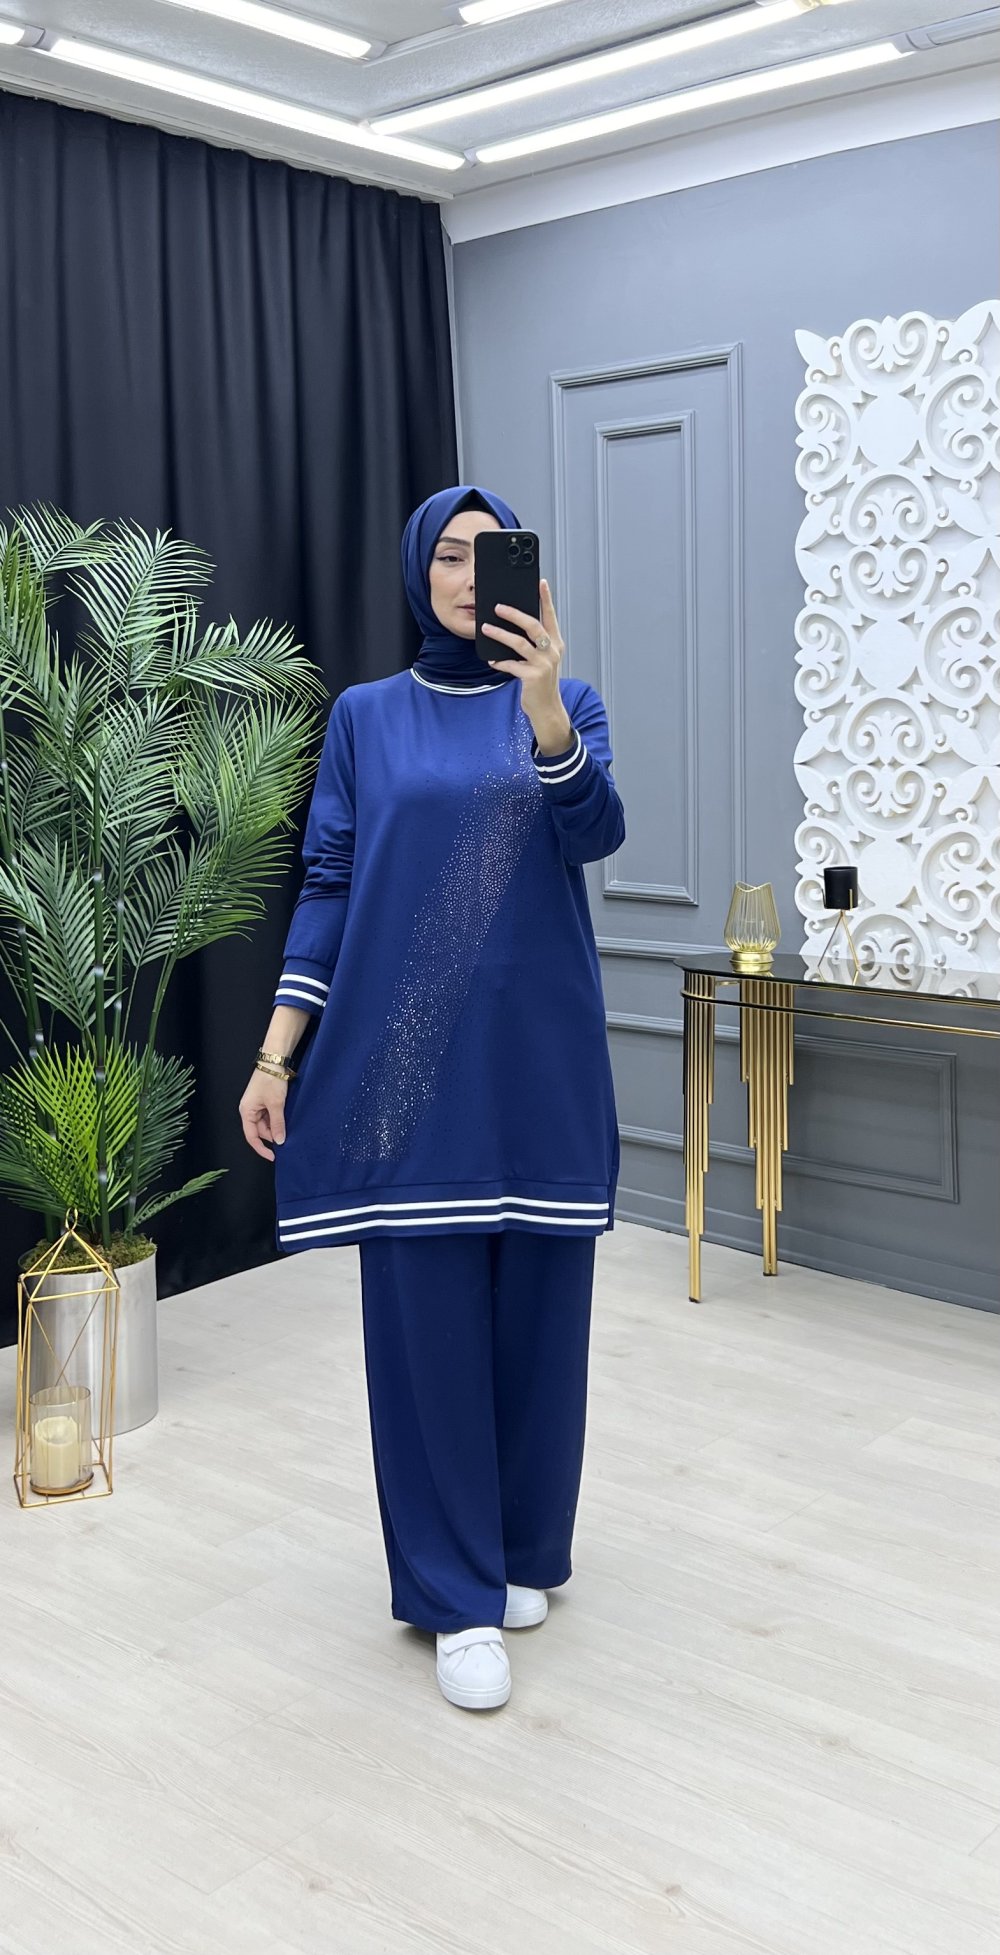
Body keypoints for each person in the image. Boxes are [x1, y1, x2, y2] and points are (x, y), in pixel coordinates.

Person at [239, 485, 625, 1712]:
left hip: (539, 1060)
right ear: (419, 570)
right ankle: (453, 1595)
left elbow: (594, 834)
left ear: (524, 571)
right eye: (448, 556)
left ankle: (516, 1549)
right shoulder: (367, 716)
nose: (468, 575)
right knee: (426, 1336)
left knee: (541, 1323)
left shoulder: (568, 700)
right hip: (403, 1071)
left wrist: (545, 708)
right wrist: (275, 1053)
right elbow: (330, 879)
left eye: (489, 554)